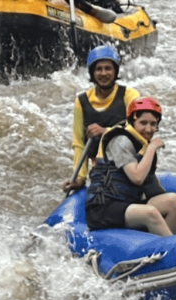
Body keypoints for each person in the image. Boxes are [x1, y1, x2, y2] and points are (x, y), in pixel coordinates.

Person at [85, 97, 176, 236]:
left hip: (127, 204)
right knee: (150, 213)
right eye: (143, 123)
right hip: (103, 208)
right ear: (132, 121)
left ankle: (166, 247)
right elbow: (137, 177)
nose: (148, 129)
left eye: (153, 124)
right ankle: (173, 250)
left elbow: (151, 184)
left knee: (174, 201)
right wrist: (152, 148)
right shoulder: (120, 141)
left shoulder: (141, 145)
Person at [64, 44, 139, 193]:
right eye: (99, 69)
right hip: (99, 170)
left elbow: (138, 132)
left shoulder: (129, 96)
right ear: (92, 73)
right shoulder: (81, 101)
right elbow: (79, 143)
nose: (104, 73)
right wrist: (80, 177)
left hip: (128, 166)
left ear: (115, 71)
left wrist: (105, 131)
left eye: (108, 68)